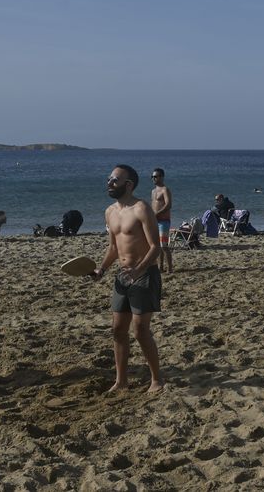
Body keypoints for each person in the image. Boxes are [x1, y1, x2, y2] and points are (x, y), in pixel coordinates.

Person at [93, 164, 164, 393]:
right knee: (117, 330)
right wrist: (101, 270)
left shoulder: (141, 209)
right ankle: (121, 381)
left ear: (129, 184)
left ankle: (156, 380)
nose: (109, 183)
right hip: (122, 276)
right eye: (109, 178)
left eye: (114, 179)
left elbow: (156, 247)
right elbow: (113, 248)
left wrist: (139, 270)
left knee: (141, 330)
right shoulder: (109, 212)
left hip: (144, 275)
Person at [150, 168, 173, 273]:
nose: (154, 178)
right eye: (152, 176)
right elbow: (153, 205)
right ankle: (160, 267)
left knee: (164, 246)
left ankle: (170, 268)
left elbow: (168, 205)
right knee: (157, 246)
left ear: (162, 177)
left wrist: (157, 214)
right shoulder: (153, 191)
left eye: (156, 176)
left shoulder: (165, 189)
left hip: (163, 221)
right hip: (154, 221)